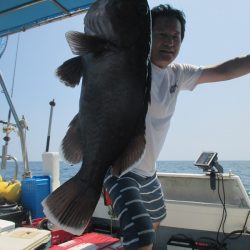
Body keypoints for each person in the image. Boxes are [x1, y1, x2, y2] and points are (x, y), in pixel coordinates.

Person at [104, 4, 250, 250]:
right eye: (162, 34)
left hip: (148, 173)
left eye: (176, 37)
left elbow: (224, 71)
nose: (170, 42)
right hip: (120, 169)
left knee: (158, 215)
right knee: (141, 234)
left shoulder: (177, 74)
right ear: (147, 35)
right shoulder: (129, 67)